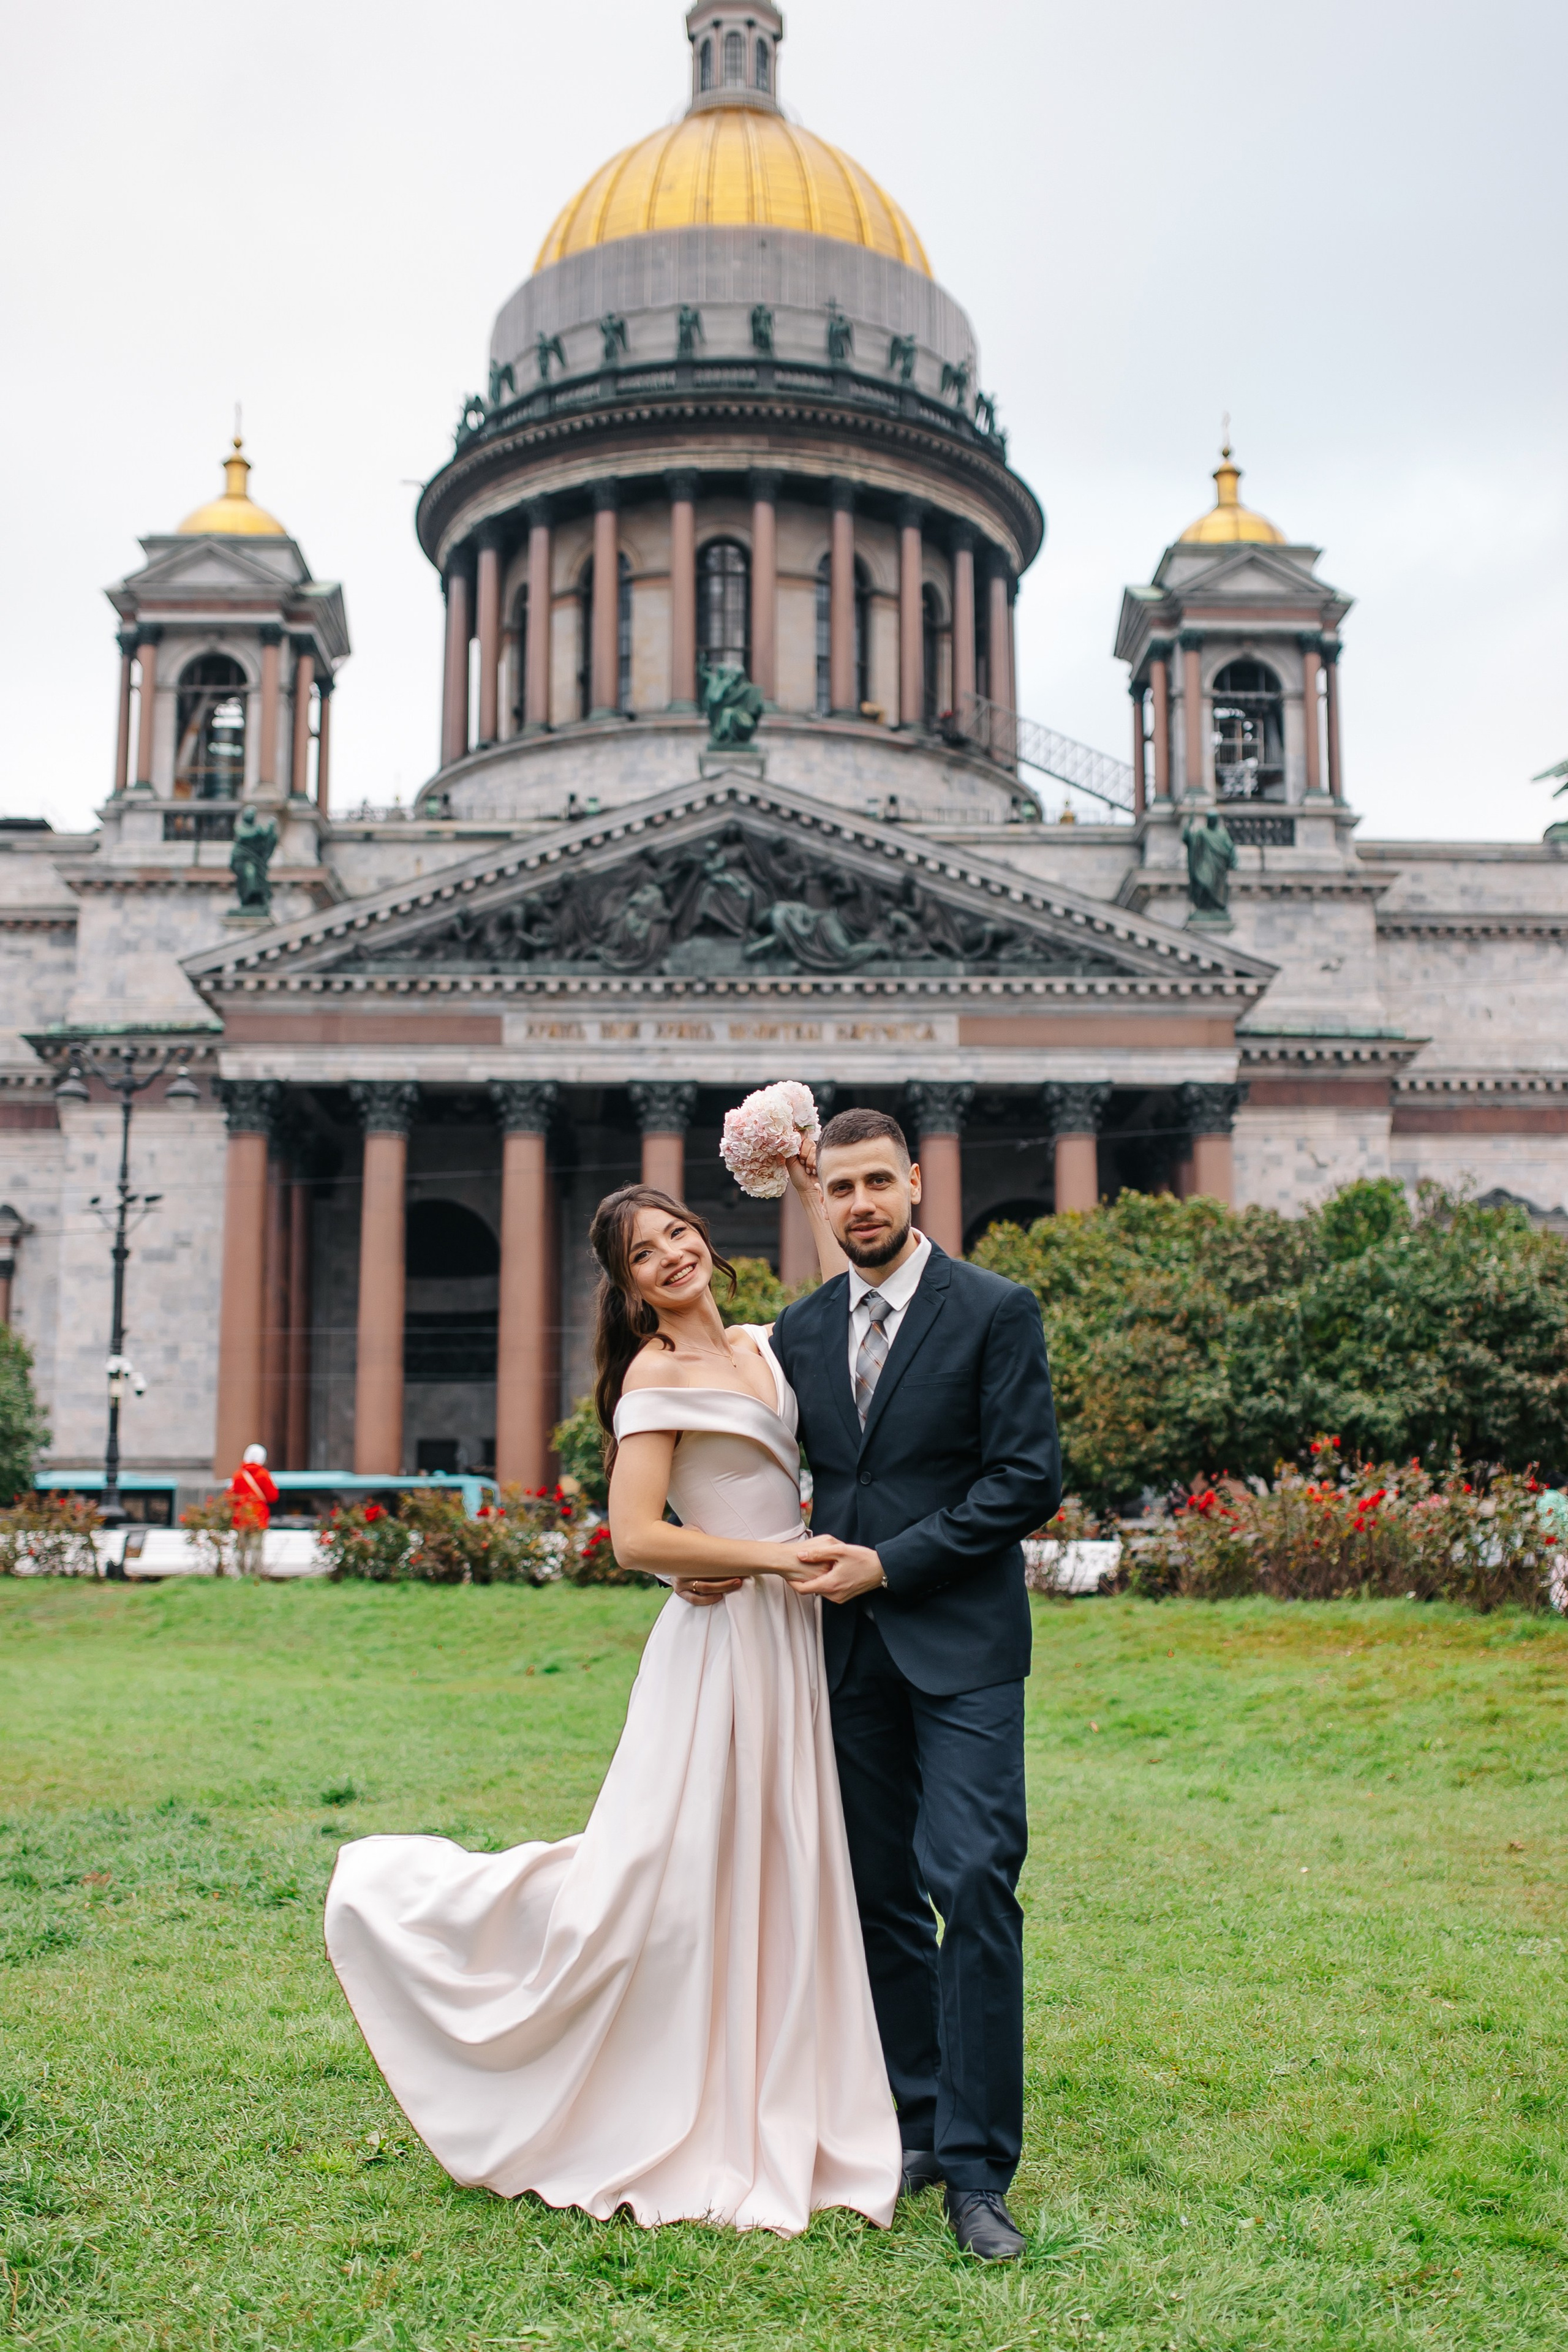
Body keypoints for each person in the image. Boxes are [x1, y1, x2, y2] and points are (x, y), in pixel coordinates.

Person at [323, 1183, 900, 2234]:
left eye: (680, 1233)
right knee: (659, 1871)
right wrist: (764, 1556)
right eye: (646, 1253)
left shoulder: (770, 1349)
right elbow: (636, 1538)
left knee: (779, 1860)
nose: (672, 1255)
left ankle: (783, 2088)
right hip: (722, 1643)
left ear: (707, 1244)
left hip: (792, 1642)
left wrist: (815, 1181)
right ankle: (431, 1920)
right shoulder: (655, 1373)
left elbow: (849, 1287)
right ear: (630, 1289)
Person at [682, 1109, 1061, 2261]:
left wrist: (893, 1562)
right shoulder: (796, 1331)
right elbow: (749, 1454)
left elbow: (1027, 1478)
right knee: (881, 1901)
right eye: (838, 1187)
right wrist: (709, 1557)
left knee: (976, 1883)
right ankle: (916, 2124)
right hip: (837, 1657)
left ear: (915, 1183)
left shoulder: (996, 1310)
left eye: (876, 1183)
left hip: (964, 1652)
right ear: (824, 1200)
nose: (859, 1204)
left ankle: (981, 2175)